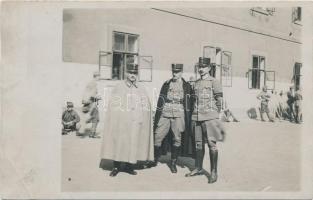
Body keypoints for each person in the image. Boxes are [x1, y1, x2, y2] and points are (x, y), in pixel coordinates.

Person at [100, 64, 154, 177]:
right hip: (122, 122)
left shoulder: (141, 88)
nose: (132, 75)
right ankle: (116, 166)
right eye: (130, 73)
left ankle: (129, 166)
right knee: (120, 143)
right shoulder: (119, 87)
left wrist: (143, 117)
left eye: (135, 73)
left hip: (135, 122)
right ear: (126, 73)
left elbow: (146, 105)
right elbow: (113, 106)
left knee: (133, 143)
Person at [185, 57, 225, 184]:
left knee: (212, 145)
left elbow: (219, 101)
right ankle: (198, 168)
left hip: (210, 117)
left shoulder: (214, 82)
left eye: (203, 67)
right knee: (198, 144)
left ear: (209, 68)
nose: (201, 69)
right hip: (196, 118)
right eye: (199, 67)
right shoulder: (196, 83)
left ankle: (213, 172)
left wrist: (214, 114)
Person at [150, 64, 193, 173]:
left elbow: (189, 102)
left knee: (177, 138)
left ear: (181, 72)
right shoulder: (166, 84)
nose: (175, 74)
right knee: (157, 135)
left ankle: (173, 162)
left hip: (179, 113)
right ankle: (155, 159)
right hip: (165, 112)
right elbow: (161, 99)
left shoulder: (186, 85)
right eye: (173, 71)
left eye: (177, 72)